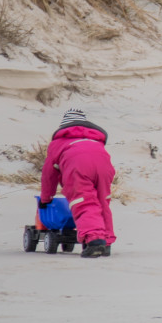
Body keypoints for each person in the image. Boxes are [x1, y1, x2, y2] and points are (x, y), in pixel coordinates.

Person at [39, 107, 117, 259]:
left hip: (78, 166)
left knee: (84, 201)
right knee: (103, 202)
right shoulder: (95, 139)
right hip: (104, 165)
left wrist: (45, 198)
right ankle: (106, 243)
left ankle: (95, 241)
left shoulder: (58, 143)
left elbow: (49, 175)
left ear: (64, 126)